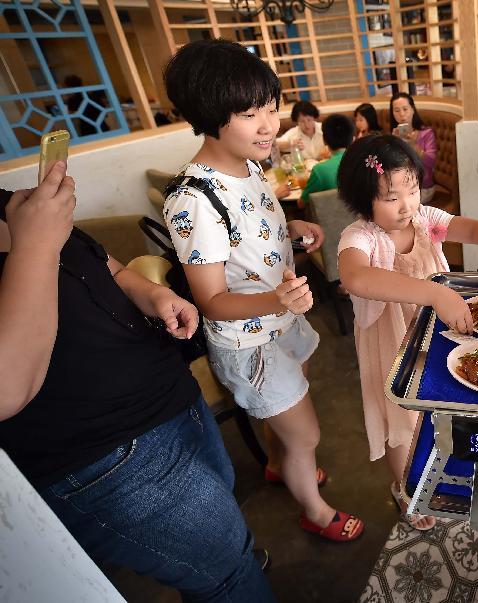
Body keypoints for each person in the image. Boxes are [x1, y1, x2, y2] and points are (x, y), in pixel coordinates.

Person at [0, 165, 277, 601]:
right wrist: (35, 243)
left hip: (170, 396)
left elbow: (103, 266)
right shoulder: (29, 225)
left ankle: (227, 567)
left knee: (220, 538)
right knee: (224, 568)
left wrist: (155, 295)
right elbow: (6, 390)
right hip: (105, 453)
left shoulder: (9, 204)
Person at [163, 38, 364, 542]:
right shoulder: (195, 199)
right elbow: (210, 300)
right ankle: (314, 511)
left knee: (286, 417)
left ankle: (279, 463)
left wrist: (292, 228)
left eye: (271, 108)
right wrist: (277, 300)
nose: (269, 124)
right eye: (251, 113)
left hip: (281, 319)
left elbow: (251, 231)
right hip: (248, 340)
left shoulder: (249, 165)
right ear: (209, 113)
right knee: (308, 434)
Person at [336, 135, 478, 531]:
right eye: (390, 197)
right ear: (364, 202)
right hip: (390, 340)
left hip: (433, 331)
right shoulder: (360, 237)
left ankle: (439, 463)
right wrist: (434, 292)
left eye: (412, 190)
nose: (406, 205)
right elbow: (355, 276)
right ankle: (406, 487)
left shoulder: (424, 219)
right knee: (401, 421)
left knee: (438, 405)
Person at [389, 92, 438, 206]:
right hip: (399, 188)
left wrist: (413, 145)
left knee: (393, 206)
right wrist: (392, 143)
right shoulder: (393, 136)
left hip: (422, 188)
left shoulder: (426, 133)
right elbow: (389, 166)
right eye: (396, 110)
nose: (401, 114)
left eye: (405, 109)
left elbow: (431, 162)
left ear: (412, 109)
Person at [301, 114, 354, 204]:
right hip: (364, 216)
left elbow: (302, 203)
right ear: (352, 138)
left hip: (332, 217)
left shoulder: (320, 171)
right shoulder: (366, 161)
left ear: (324, 139)